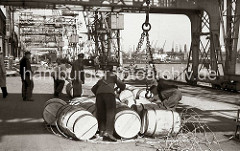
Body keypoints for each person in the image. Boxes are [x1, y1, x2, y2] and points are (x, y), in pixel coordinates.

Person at [91, 65, 126, 142]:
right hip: (109, 95)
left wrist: (100, 93)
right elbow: (122, 86)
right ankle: (109, 133)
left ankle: (101, 131)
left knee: (101, 112)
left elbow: (93, 89)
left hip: (99, 95)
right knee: (110, 113)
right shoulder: (113, 75)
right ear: (112, 70)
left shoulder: (102, 78)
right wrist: (118, 88)